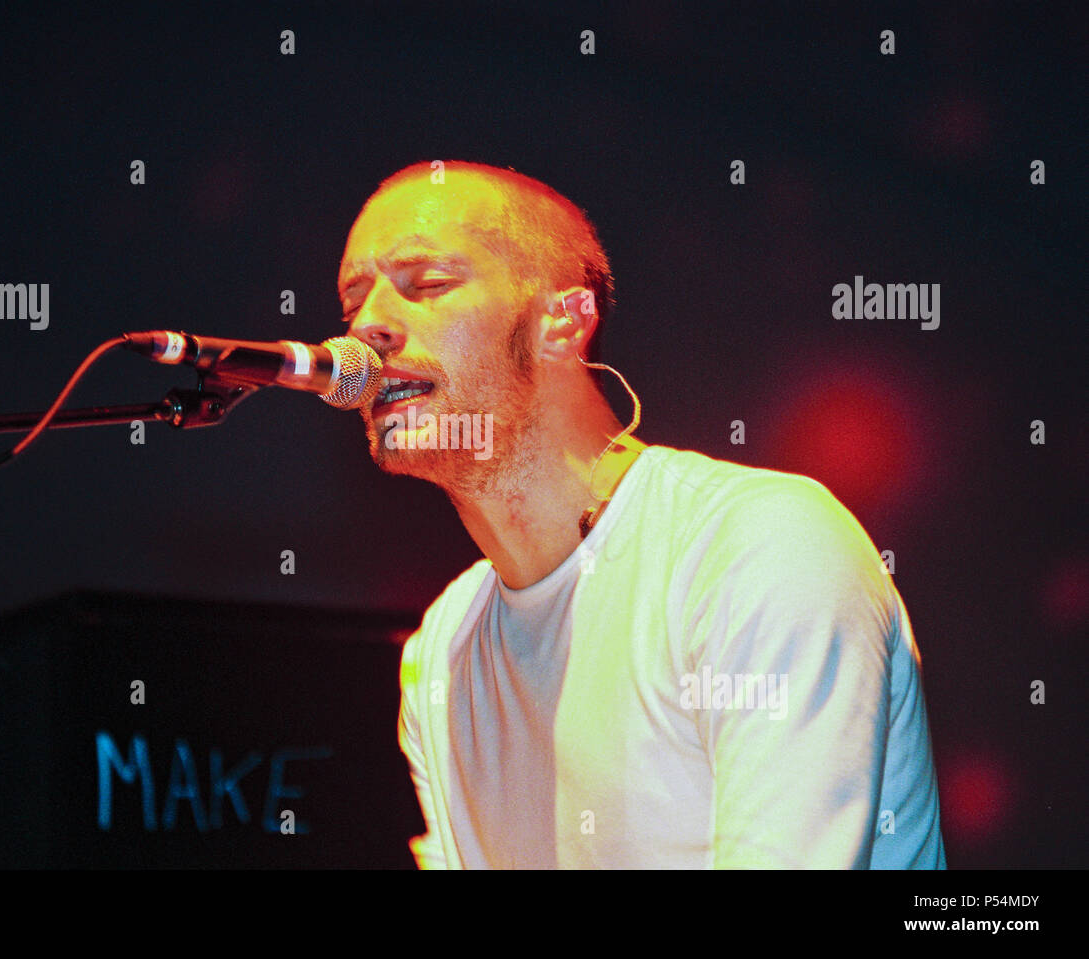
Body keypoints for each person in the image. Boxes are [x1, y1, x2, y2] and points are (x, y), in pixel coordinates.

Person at [339, 160, 946, 869]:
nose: (368, 327)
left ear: (562, 321)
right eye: (353, 302)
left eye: (428, 284)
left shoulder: (757, 547)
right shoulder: (443, 645)